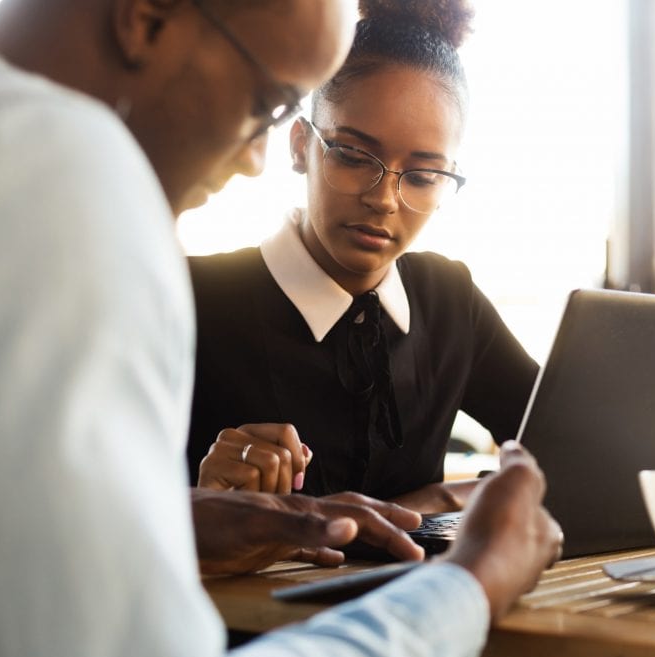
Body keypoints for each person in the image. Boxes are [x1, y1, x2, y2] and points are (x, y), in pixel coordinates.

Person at [0, 0, 563, 657]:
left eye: (422, 175)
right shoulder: (60, 177)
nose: (252, 160)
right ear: (148, 17)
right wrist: (468, 588)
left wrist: (179, 526)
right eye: (265, 103)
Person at [186, 0, 540, 513]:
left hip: (422, 594)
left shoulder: (448, 300)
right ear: (300, 145)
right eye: (353, 156)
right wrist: (197, 502)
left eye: (422, 176)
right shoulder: (195, 299)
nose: (384, 199)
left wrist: (435, 499)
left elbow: (563, 449)